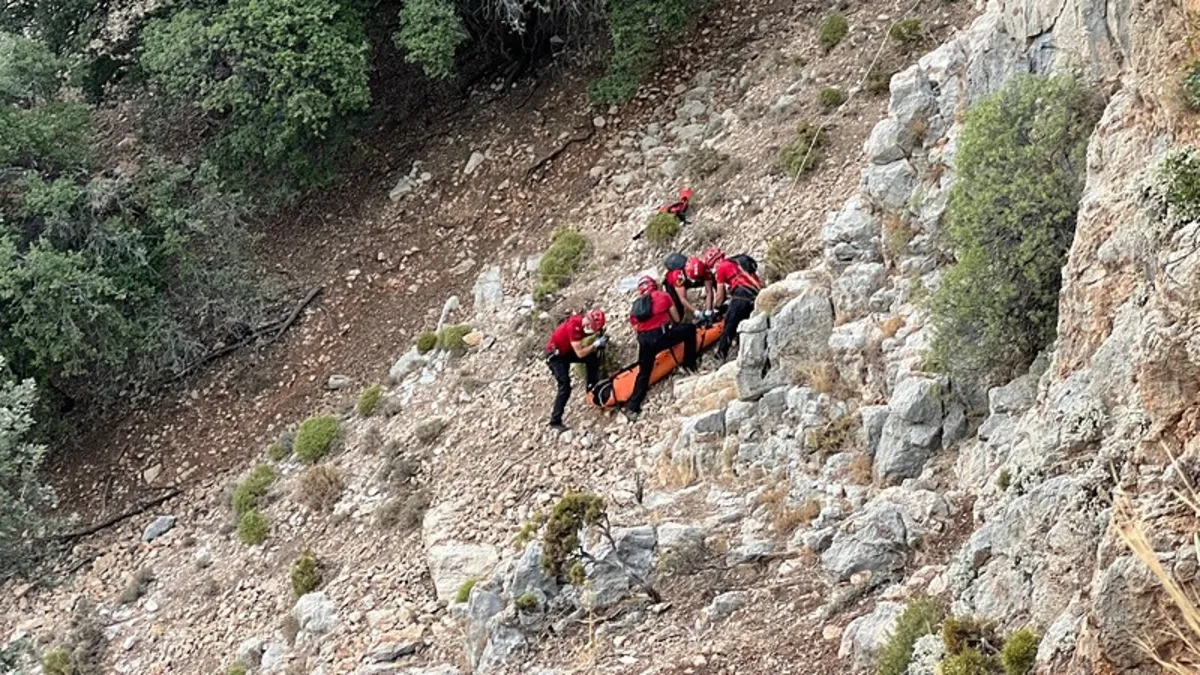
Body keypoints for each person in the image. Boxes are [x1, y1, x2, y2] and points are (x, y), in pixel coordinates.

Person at [625, 277, 697, 422]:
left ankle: (633, 407)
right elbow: (676, 319)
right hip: (661, 336)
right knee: (690, 330)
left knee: (644, 372)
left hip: (644, 341)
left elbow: (635, 327)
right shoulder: (663, 296)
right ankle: (690, 364)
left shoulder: (636, 306)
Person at [545, 309, 607, 432]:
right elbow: (580, 354)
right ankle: (555, 421)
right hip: (555, 357)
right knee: (565, 386)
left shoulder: (582, 322)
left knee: (592, 359)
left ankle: (591, 389)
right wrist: (595, 344)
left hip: (565, 352)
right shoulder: (574, 328)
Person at [712, 249, 764, 360]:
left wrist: (716, 308)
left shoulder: (721, 268)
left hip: (742, 294)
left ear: (715, 262)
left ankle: (721, 354)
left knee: (730, 323)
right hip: (756, 294)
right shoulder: (737, 263)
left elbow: (720, 295)